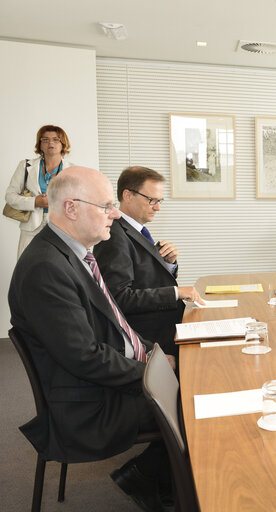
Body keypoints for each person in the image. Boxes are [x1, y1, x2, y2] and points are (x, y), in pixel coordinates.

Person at [8, 166, 172, 512]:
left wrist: (152, 355)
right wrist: (152, 372)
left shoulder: (74, 252)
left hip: (104, 378)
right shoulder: (45, 268)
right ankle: (154, 479)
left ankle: (159, 477)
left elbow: (115, 325)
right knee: (195, 404)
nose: (115, 214)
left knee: (197, 382)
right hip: (88, 402)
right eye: (106, 205)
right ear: (71, 208)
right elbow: (84, 357)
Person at [93, 166, 204, 357]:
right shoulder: (114, 236)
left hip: (166, 328)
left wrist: (169, 263)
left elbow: (145, 279)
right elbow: (118, 298)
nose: (158, 207)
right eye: (151, 200)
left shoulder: (136, 230)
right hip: (150, 339)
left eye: (159, 201)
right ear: (127, 195)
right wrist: (176, 292)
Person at [5, 125, 74, 258]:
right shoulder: (25, 166)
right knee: (27, 269)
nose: (50, 143)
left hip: (61, 228)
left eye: (55, 139)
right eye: (45, 140)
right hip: (31, 228)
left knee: (59, 270)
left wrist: (56, 202)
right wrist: (35, 202)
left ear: (63, 144)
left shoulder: (73, 170)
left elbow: (78, 200)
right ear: (40, 145)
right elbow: (10, 196)